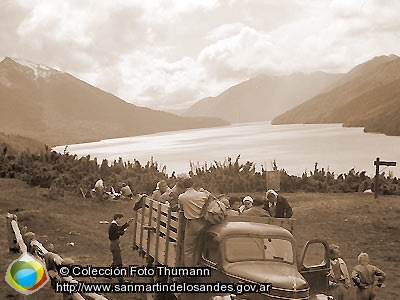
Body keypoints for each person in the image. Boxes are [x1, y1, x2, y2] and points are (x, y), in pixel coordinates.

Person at [178, 176, 208, 267]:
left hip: (191, 223)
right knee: (199, 246)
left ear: (183, 186)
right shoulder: (203, 195)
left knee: (189, 249)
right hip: (204, 222)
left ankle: (190, 270)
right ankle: (198, 264)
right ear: (193, 184)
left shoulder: (182, 197)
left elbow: (181, 209)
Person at [108, 213, 133, 283]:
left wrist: (127, 224)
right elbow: (120, 232)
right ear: (117, 218)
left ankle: (108, 274)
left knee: (115, 261)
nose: (121, 220)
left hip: (114, 244)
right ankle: (121, 280)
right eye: (121, 219)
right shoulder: (113, 226)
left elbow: (120, 230)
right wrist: (124, 229)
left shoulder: (114, 225)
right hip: (115, 244)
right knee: (118, 263)